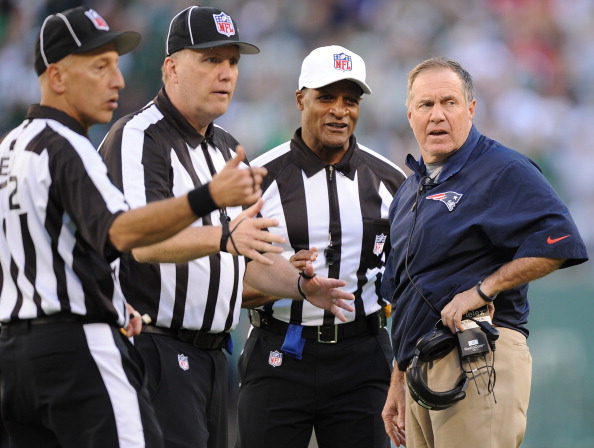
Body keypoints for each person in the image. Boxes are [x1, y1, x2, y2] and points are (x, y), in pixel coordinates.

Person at [0, 6, 279, 448]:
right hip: (106, 345)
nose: (118, 80)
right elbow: (126, 234)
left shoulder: (14, 144)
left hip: (24, 346)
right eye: (100, 67)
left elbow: (79, 244)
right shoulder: (85, 142)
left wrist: (300, 285)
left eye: (232, 62)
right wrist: (211, 210)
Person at [99, 8, 355, 448]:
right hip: (152, 349)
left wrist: (301, 285)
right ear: (171, 68)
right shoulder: (140, 136)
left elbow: (248, 257)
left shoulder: (225, 148)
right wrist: (223, 237)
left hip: (214, 358)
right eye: (210, 59)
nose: (226, 73)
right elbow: (139, 242)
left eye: (233, 62)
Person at [380, 56, 589, 448]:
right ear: (410, 115)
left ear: (471, 109)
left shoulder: (501, 168)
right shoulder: (409, 192)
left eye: (449, 102)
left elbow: (560, 241)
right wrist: (399, 373)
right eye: (426, 104)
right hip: (419, 368)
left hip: (477, 355)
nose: (437, 115)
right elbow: (405, 293)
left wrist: (483, 290)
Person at [235, 45, 406, 448]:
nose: (339, 111)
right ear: (300, 99)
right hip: (279, 351)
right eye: (326, 97)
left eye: (351, 100)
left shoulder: (391, 181)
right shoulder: (256, 180)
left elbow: (408, 279)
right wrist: (287, 282)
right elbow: (222, 285)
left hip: (363, 357)